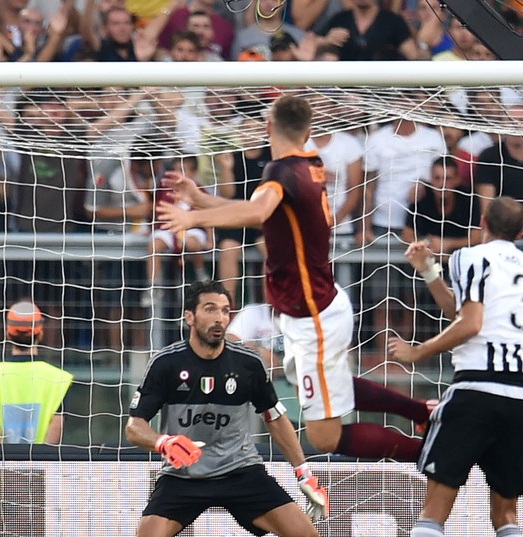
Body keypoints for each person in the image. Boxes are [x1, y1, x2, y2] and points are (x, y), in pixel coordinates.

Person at [100, 280, 396, 537]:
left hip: (241, 471)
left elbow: (275, 417)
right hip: (184, 476)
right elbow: (135, 427)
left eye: (225, 311)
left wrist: (303, 473)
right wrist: (164, 441)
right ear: (189, 316)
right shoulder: (167, 363)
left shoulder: (247, 364)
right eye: (210, 309)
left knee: (308, 536)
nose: (220, 318)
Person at [157, 94, 433, 463]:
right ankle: (424, 412)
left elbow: (257, 212)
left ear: (270, 127)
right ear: (308, 131)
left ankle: (430, 452)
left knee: (324, 435)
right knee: (331, 391)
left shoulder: (281, 172)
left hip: (313, 313)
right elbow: (260, 209)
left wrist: (194, 218)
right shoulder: (309, 163)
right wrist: (201, 199)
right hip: (314, 305)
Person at [387, 197, 523, 537]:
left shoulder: (470, 256)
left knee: (437, 502)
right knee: (506, 511)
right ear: (520, 231)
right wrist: (429, 271)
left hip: (477, 388)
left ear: (481, 223)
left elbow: (471, 323)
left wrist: (418, 352)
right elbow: (467, 311)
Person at [0, 301, 73, 445]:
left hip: (5, 466)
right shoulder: (59, 379)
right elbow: (56, 428)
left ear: (8, 333)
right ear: (41, 333)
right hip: (42, 465)